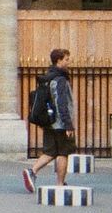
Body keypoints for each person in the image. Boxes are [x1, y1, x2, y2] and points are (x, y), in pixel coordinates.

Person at [23, 48, 76, 192]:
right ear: (59, 61)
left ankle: (32, 171)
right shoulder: (60, 79)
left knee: (50, 152)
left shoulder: (47, 78)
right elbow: (61, 103)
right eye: (66, 59)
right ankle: (60, 183)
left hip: (48, 121)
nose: (69, 62)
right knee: (63, 153)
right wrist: (68, 124)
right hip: (60, 123)